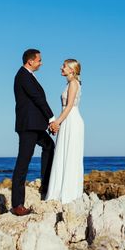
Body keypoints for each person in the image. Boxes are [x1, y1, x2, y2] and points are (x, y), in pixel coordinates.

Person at [11, 49, 59, 216]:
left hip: (35, 125)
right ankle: (17, 204)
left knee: (49, 146)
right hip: (28, 127)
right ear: (30, 61)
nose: (41, 62)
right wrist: (52, 119)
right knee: (23, 164)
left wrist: (46, 122)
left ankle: (45, 184)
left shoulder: (28, 75)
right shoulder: (23, 76)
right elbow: (38, 100)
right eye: (39, 60)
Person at [46, 59, 85, 204]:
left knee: (70, 154)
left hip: (72, 120)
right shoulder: (69, 83)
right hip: (67, 119)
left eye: (64, 66)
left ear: (72, 70)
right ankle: (59, 191)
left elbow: (69, 107)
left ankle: (69, 194)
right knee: (63, 153)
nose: (61, 67)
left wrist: (57, 122)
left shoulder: (74, 83)